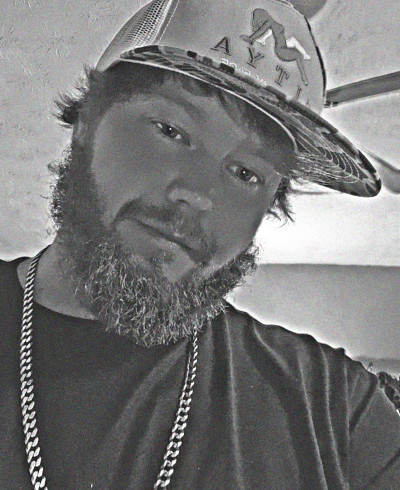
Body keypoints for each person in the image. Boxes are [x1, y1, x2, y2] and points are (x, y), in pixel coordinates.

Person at [1, 0, 399, 488]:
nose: (200, 196)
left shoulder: (337, 408)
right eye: (172, 131)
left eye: (246, 173)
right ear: (87, 121)